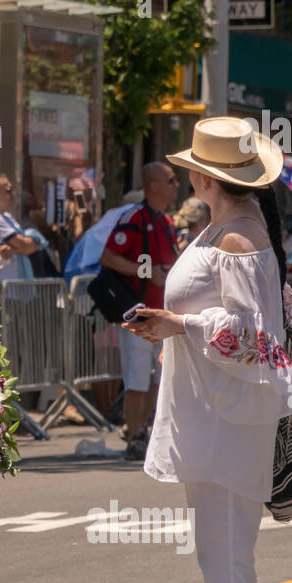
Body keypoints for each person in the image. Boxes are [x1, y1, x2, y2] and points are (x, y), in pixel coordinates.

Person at [122, 116, 292, 583]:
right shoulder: (231, 229)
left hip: (228, 416)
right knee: (224, 558)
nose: (185, 174)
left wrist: (179, 325)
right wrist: (174, 322)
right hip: (217, 411)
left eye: (191, 167)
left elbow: (256, 337)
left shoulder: (237, 237)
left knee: (225, 558)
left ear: (205, 176)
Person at [100, 162, 179, 460]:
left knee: (163, 378)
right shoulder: (134, 217)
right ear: (153, 185)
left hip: (165, 315)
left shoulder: (167, 222)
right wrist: (147, 272)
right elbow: (109, 257)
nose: (176, 184)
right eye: (171, 179)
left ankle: (146, 429)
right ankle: (134, 436)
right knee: (136, 380)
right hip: (139, 313)